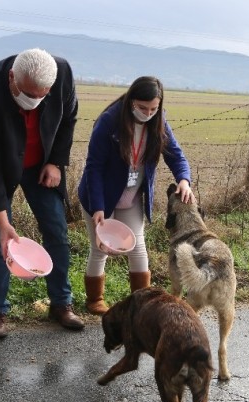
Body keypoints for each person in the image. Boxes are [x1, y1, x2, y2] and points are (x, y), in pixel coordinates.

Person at [0, 48, 83, 338]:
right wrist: (2, 219)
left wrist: (56, 161)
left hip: (42, 164)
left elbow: (68, 120)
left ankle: (61, 303)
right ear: (11, 78)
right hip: (0, 167)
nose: (34, 103)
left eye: (41, 95)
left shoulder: (63, 74)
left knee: (56, 230)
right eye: (29, 95)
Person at [77, 76, 195, 315]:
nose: (148, 114)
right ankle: (94, 301)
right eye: (142, 108)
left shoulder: (159, 122)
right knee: (101, 248)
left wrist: (184, 179)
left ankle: (141, 304)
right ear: (131, 101)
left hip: (131, 198)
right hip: (100, 196)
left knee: (138, 248)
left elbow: (176, 155)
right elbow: (94, 167)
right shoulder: (109, 121)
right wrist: (99, 208)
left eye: (153, 109)